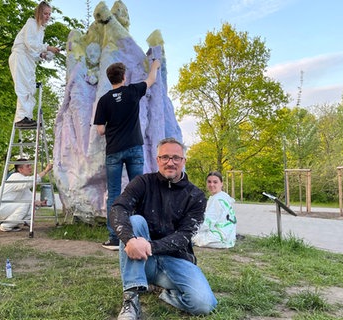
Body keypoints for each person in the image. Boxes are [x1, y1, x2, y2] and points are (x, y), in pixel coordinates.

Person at [110, 137, 217, 319]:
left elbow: (184, 235)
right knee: (135, 221)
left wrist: (150, 246)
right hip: (144, 261)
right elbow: (118, 208)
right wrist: (129, 239)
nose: (170, 162)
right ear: (157, 160)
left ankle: (163, 292)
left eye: (176, 158)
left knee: (204, 304)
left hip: (177, 260)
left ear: (183, 161)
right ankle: (131, 298)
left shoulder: (196, 195)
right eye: (165, 157)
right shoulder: (143, 182)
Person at [93, 59, 161, 250]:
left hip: (114, 150)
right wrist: (155, 65)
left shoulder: (104, 100)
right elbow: (151, 80)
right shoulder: (133, 91)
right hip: (134, 148)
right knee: (138, 191)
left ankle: (114, 237)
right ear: (124, 77)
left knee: (114, 194)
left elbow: (99, 130)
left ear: (109, 79)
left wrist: (112, 128)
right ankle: (140, 233)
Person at [9, 1, 60, 128]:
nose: (47, 16)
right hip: (20, 57)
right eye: (45, 13)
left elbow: (34, 51)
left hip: (28, 60)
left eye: (49, 14)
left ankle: (26, 117)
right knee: (23, 87)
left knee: (30, 88)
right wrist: (47, 47)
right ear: (39, 13)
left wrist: (43, 54)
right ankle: (21, 118)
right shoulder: (31, 23)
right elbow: (30, 43)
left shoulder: (41, 30)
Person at [0, 160, 53, 232]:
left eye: (30, 165)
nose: (30, 167)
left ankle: (18, 223)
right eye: (27, 166)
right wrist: (45, 171)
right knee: (26, 203)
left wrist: (40, 203)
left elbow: (29, 197)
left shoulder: (22, 181)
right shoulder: (16, 177)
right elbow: (31, 181)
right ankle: (6, 226)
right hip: (0, 207)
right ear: (20, 169)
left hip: (6, 207)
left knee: (30, 204)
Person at [192, 171, 237, 248]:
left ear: (221, 184)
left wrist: (192, 230)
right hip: (229, 236)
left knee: (188, 237)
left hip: (221, 237)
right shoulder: (223, 196)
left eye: (215, 182)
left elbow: (208, 223)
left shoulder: (217, 200)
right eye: (209, 182)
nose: (211, 184)